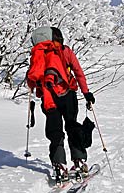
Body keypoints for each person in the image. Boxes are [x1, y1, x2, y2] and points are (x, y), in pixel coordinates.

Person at [26, 26, 95, 182]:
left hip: (49, 98)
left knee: (55, 130)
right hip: (68, 95)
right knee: (72, 126)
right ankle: (79, 161)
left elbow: (32, 80)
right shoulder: (65, 51)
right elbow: (78, 72)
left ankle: (59, 165)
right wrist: (86, 93)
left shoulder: (38, 53)